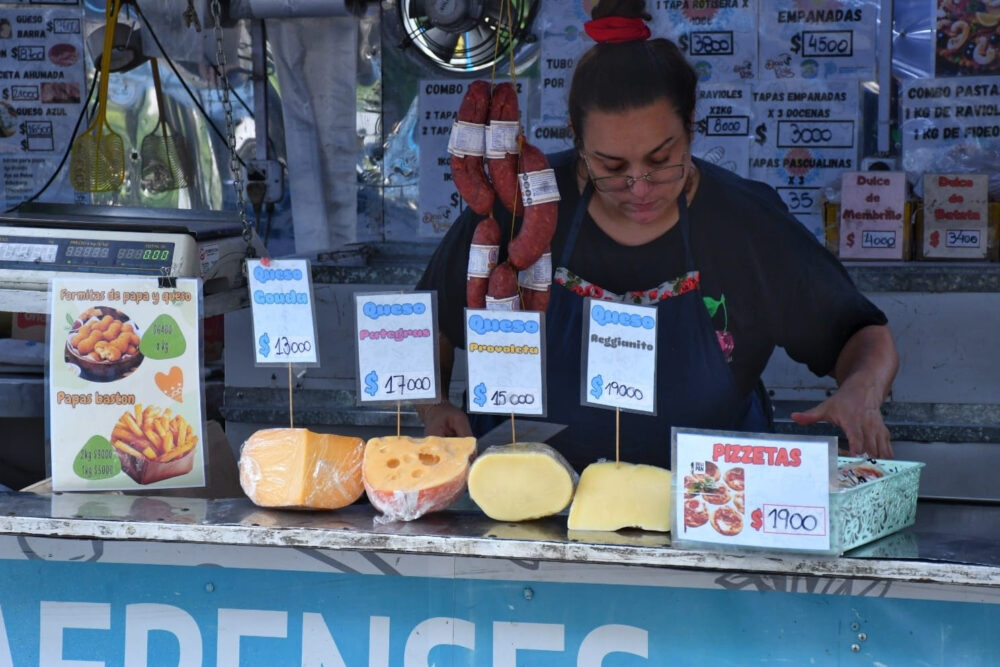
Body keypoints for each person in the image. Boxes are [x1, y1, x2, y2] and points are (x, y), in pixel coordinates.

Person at [416, 0, 898, 470]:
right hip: (520, 496)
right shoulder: (521, 207)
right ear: (577, 140)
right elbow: (430, 321)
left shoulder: (746, 223)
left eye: (661, 159)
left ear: (691, 127)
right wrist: (434, 406)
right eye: (611, 166)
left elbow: (862, 336)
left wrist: (861, 389)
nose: (639, 187)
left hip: (707, 501)